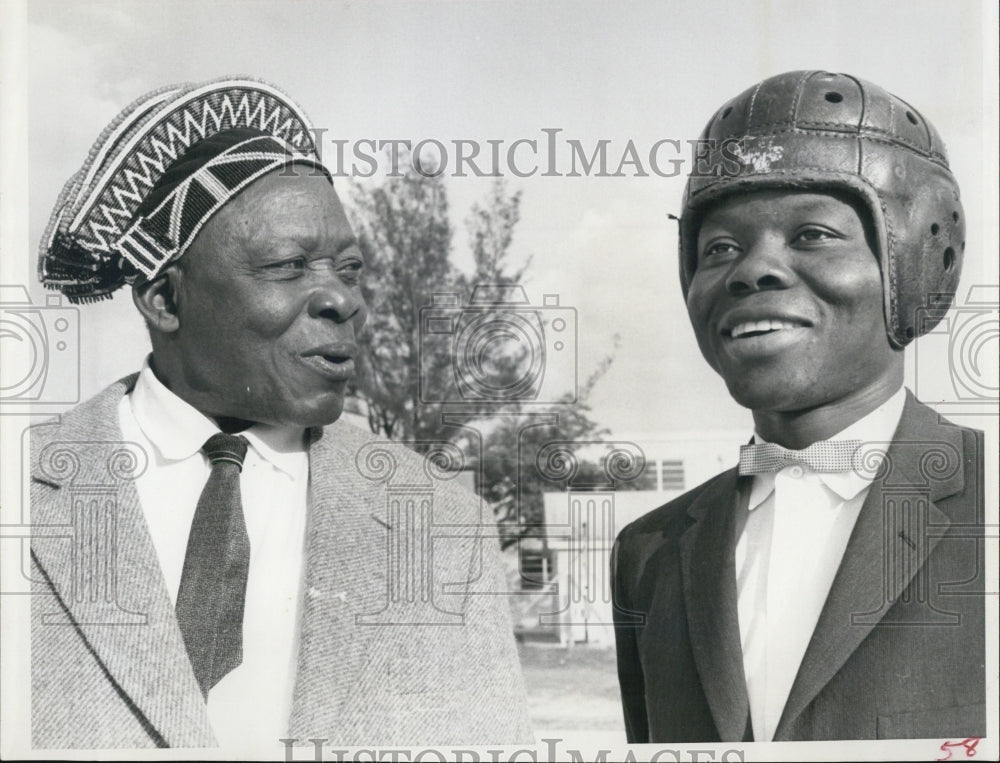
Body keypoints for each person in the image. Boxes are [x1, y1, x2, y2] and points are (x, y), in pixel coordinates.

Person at [30, 77, 531, 751]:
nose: (343, 301)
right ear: (163, 299)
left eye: (349, 269)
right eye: (288, 267)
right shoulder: (26, 490)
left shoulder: (443, 523)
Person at [611, 70, 985, 742]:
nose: (753, 269)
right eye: (719, 247)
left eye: (812, 234)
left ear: (919, 261)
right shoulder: (647, 554)